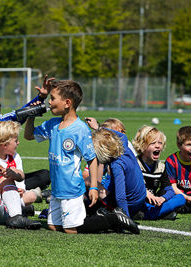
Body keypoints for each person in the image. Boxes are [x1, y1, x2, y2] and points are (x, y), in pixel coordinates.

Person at [25, 79, 139, 234]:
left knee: (71, 230)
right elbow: (29, 135)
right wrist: (31, 115)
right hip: (57, 188)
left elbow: (91, 159)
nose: (49, 102)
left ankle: (113, 219)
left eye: (52, 98)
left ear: (67, 103)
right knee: (53, 227)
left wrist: (93, 187)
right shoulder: (52, 124)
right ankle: (102, 218)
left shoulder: (80, 129)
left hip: (72, 189)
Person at [132, 126, 185, 220]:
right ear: (142, 145)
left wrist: (162, 198)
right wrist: (145, 193)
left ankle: (151, 214)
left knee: (181, 198)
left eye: (160, 143)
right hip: (138, 202)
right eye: (153, 143)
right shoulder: (134, 164)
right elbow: (132, 189)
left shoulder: (161, 166)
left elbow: (169, 189)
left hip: (153, 202)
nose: (158, 146)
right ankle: (158, 213)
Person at [92, 128, 146, 219]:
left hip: (130, 205)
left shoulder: (116, 165)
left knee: (89, 182)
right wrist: (100, 129)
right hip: (140, 200)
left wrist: (126, 220)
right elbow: (122, 135)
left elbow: (120, 197)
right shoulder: (123, 146)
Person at [0, 120, 37, 215]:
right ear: (5, 145)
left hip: (11, 193)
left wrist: (21, 189)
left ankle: (9, 209)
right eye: (16, 141)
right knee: (6, 179)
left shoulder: (15, 157)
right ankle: (16, 209)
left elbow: (20, 175)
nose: (18, 143)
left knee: (32, 196)